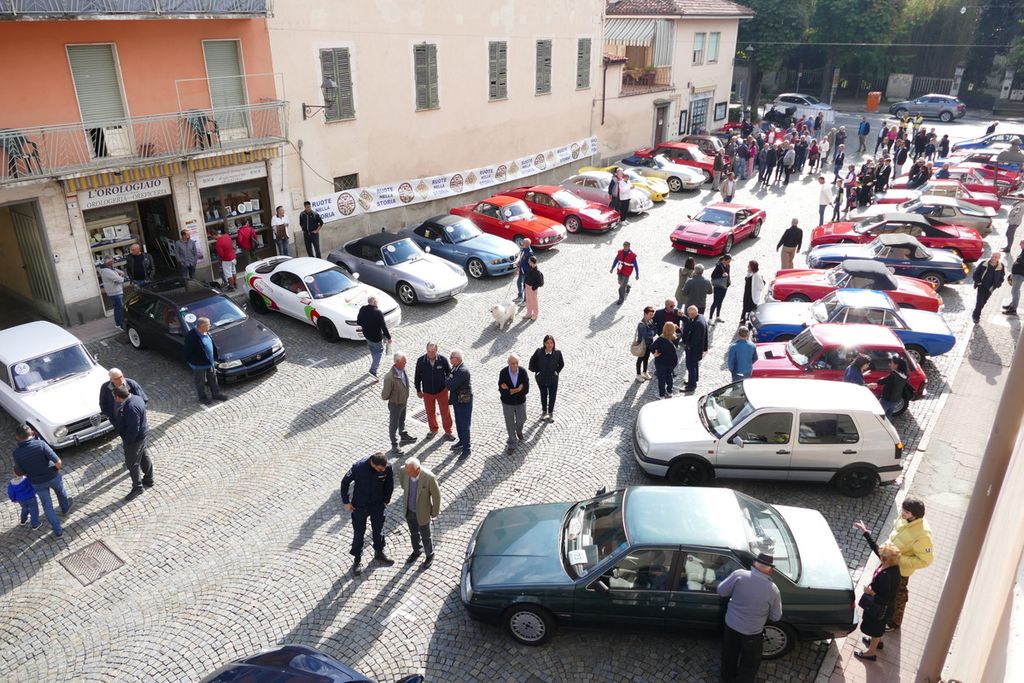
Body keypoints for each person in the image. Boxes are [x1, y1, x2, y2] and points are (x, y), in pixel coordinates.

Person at [855, 498, 933, 632]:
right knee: (884, 594)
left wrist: (898, 558)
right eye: (903, 509)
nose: (902, 513)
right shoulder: (904, 518)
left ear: (915, 515)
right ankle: (881, 618)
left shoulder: (923, 535)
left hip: (900, 571)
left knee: (897, 597)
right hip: (888, 562)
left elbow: (925, 561)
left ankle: (893, 623)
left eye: (906, 512)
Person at [717, 552, 783, 683]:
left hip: (731, 626)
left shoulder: (739, 575)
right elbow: (776, 617)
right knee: (749, 663)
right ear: (771, 570)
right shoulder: (773, 590)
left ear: (753, 563)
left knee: (729, 655)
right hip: (752, 633)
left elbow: (721, 591)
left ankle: (726, 678)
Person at [11, 425, 73, 537]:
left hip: (37, 483)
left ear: (17, 437)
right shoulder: (40, 444)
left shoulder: (16, 453)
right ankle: (65, 508)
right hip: (53, 476)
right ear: (32, 433)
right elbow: (58, 462)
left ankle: (58, 531)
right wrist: (56, 470)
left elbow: (20, 472)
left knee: (47, 505)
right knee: (61, 492)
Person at [849, 533, 902, 662]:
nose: (880, 556)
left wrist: (871, 592)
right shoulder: (893, 566)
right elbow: (876, 548)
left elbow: (884, 599)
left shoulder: (886, 576)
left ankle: (871, 652)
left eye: (882, 555)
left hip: (881, 608)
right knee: (878, 628)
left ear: (885, 559)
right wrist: (865, 533)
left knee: (876, 629)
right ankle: (878, 643)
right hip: (885, 608)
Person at [340, 452, 394, 576]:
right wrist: (346, 502)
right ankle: (357, 559)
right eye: (380, 469)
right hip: (360, 505)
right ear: (372, 464)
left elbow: (389, 484)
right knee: (359, 532)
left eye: (384, 469)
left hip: (377, 504)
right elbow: (345, 482)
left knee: (378, 529)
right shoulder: (358, 467)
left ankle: (379, 552)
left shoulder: (387, 467)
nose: (383, 471)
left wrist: (386, 500)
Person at [113, 384, 153, 501]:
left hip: (135, 439)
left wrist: (128, 441)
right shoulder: (137, 398)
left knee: (132, 463)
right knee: (144, 455)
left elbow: (133, 428)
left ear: (118, 397)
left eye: (114, 397)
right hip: (142, 434)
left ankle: (137, 487)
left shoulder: (130, 408)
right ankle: (149, 479)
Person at [400, 457, 441, 570]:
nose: (408, 474)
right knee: (413, 533)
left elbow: (436, 496)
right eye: (407, 472)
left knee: (426, 536)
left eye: (410, 472)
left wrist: (434, 512)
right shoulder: (404, 471)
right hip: (409, 510)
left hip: (423, 512)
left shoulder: (429, 478)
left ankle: (430, 555)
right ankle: (417, 550)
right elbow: (403, 485)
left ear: (418, 469)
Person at [184, 316, 228, 405]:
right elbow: (187, 351)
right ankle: (202, 398)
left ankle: (216, 394)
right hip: (199, 365)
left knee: (213, 379)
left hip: (210, 363)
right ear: (202, 326)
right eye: (208, 324)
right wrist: (192, 363)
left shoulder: (206, 332)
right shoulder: (192, 336)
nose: (210, 326)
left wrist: (214, 358)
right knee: (201, 382)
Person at [414, 342, 454, 440]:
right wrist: (418, 390)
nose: (430, 354)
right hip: (427, 392)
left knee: (445, 411)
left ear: (436, 350)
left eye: (433, 351)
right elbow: (417, 377)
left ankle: (448, 431)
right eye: (429, 351)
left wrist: (448, 385)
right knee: (430, 412)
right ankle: (433, 429)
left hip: (442, 391)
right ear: (426, 350)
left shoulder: (443, 360)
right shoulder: (421, 361)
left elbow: (449, 373)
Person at [381, 352, 417, 455]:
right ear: (397, 362)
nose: (406, 363)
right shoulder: (389, 377)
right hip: (395, 404)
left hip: (403, 401)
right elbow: (384, 395)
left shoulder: (403, 369)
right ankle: (394, 444)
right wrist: (395, 397)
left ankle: (403, 435)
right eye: (404, 361)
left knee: (402, 420)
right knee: (394, 425)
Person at [498, 354, 529, 453]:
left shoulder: (523, 372)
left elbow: (526, 390)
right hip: (507, 403)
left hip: (520, 401)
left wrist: (510, 390)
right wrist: (517, 390)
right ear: (508, 363)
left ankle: (518, 430)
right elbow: (502, 391)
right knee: (509, 422)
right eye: (512, 363)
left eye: (516, 363)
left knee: (522, 419)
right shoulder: (503, 373)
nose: (515, 365)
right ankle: (512, 442)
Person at [528, 335, 564, 422]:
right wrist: (537, 371)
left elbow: (561, 364)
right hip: (541, 379)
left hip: (553, 379)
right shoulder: (539, 352)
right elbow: (531, 363)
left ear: (554, 343)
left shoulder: (558, 353)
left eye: (551, 343)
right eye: (547, 343)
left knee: (552, 396)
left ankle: (550, 413)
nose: (549, 345)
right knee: (543, 395)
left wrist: (557, 372)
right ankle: (544, 411)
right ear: (544, 343)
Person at [356, 296, 392, 380]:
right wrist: (389, 337)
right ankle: (373, 370)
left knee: (373, 349)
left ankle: (375, 363)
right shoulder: (378, 312)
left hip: (366, 335)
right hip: (376, 337)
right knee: (379, 351)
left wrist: (366, 325)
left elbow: (359, 322)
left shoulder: (362, 309)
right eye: (377, 301)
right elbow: (383, 327)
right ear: (375, 302)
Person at [446, 349, 473, 459]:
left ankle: (466, 449)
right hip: (458, 401)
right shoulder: (456, 367)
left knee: (464, 425)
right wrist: (450, 378)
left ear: (456, 359)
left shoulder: (462, 371)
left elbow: (450, 385)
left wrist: (446, 378)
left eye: (451, 357)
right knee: (459, 423)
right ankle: (462, 442)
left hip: (464, 402)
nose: (450, 359)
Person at [972, 252, 1006, 323]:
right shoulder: (984, 263)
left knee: (984, 302)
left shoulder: (1001, 266)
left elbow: (1002, 277)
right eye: (993, 256)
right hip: (981, 286)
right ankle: (976, 317)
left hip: (991, 288)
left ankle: (975, 312)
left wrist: (997, 285)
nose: (993, 258)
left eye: (996, 257)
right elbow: (975, 274)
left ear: (999, 258)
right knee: (979, 302)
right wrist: (979, 282)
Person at [683, 305, 709, 393]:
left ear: (693, 314)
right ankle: (694, 380)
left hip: (694, 349)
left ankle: (691, 385)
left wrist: (688, 345)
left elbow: (696, 339)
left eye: (689, 314)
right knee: (695, 365)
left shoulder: (697, 323)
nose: (688, 316)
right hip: (698, 349)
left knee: (690, 366)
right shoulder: (701, 317)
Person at [649, 322, 679, 398]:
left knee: (661, 378)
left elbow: (651, 347)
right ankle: (669, 391)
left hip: (661, 362)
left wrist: (654, 353)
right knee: (669, 375)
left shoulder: (660, 339)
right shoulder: (675, 338)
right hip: (672, 361)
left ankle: (662, 394)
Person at [98, 256, 127, 329]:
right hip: (115, 292)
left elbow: (121, 272)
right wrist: (121, 277)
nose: (113, 262)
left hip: (115, 291)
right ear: (108, 262)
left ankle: (119, 323)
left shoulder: (110, 268)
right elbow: (120, 280)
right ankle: (119, 324)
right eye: (112, 261)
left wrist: (120, 275)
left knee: (117, 308)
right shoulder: (107, 271)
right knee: (119, 309)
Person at [610, 241, 639, 306]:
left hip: (627, 272)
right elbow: (616, 260)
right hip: (620, 271)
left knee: (622, 287)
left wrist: (637, 274)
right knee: (620, 282)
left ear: (629, 247)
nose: (625, 247)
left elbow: (636, 266)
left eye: (626, 246)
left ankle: (621, 299)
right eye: (624, 246)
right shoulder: (620, 252)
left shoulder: (632, 255)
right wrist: (612, 268)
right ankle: (628, 286)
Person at [634, 306, 658, 382]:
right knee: (640, 359)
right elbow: (645, 334)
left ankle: (644, 372)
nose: (652, 316)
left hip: (649, 344)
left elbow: (655, 330)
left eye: (652, 315)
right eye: (650, 315)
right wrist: (652, 332)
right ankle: (638, 374)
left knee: (646, 358)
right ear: (645, 314)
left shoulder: (651, 321)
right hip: (643, 345)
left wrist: (652, 332)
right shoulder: (641, 324)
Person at [1002, 239, 1024, 316]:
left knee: (1015, 291)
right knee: (1014, 291)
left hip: (1019, 275)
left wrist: (1019, 261)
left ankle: (1013, 309)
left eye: (1021, 244)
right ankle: (1012, 305)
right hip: (1017, 274)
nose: (1020, 245)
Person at [708, 254, 732, 323]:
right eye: (728, 261)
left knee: (720, 301)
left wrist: (728, 282)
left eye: (729, 261)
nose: (729, 263)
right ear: (724, 260)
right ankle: (710, 318)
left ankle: (717, 316)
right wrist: (721, 275)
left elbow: (728, 274)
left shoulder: (728, 265)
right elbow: (713, 276)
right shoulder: (719, 266)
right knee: (715, 302)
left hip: (724, 286)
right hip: (718, 287)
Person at [215, 226, 237, 291]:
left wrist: (221, 259)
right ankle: (235, 284)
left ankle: (231, 287)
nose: (214, 239)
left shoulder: (219, 242)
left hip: (226, 260)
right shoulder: (227, 236)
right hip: (233, 257)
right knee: (233, 271)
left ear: (214, 235)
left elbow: (220, 254)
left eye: (213, 237)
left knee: (228, 274)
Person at [523, 256, 544, 321]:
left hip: (532, 289)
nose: (528, 263)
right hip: (527, 287)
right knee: (528, 301)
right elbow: (526, 277)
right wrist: (525, 285)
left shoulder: (537, 272)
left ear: (532, 262)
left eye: (529, 262)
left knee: (534, 302)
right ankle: (529, 313)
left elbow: (540, 283)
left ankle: (535, 314)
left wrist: (533, 288)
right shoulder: (530, 268)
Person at [514, 238, 534, 304]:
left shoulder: (529, 253)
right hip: (521, 271)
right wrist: (518, 264)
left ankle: (525, 300)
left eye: (523, 242)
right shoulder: (523, 250)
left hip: (526, 272)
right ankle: (520, 296)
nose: (522, 243)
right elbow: (521, 259)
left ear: (526, 244)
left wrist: (523, 268)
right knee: (519, 283)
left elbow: (531, 264)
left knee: (526, 287)